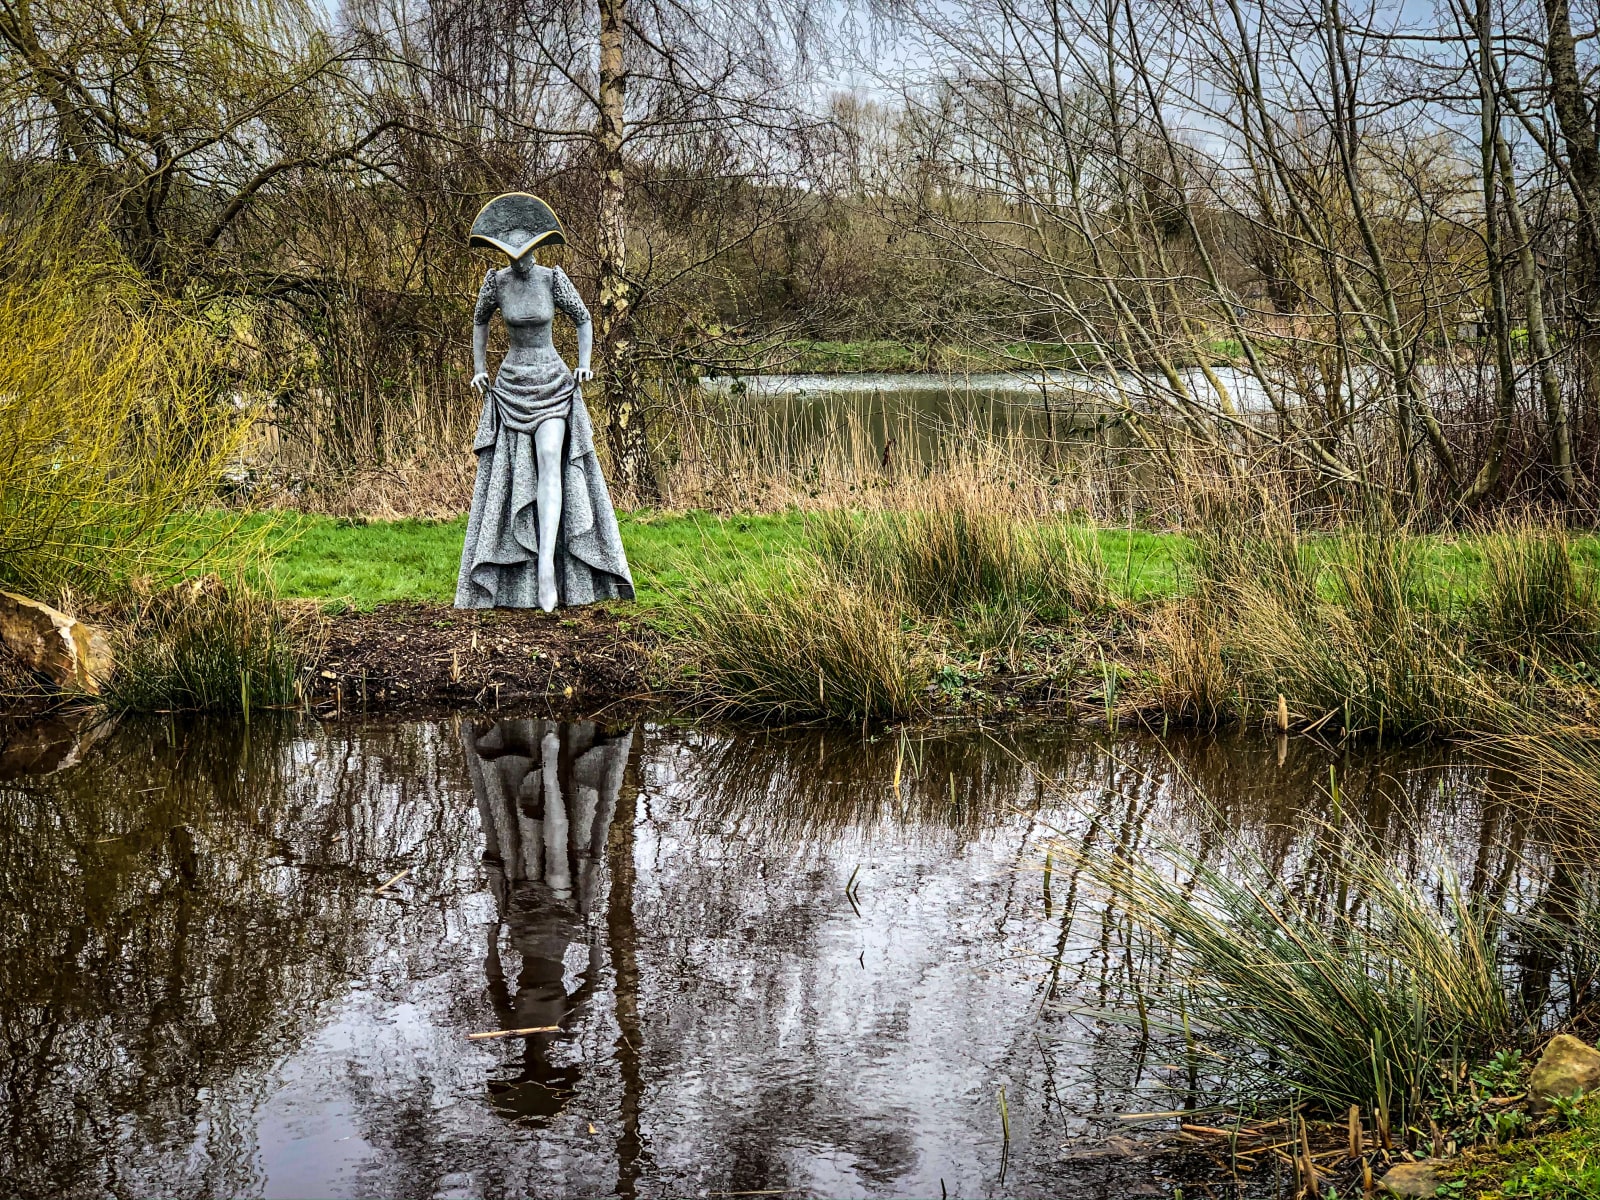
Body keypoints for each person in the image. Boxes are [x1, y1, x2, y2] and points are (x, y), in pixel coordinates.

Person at [455, 192, 634, 612]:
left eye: (523, 253)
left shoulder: (553, 279)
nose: (518, 260)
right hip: (513, 384)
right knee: (518, 477)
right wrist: (479, 366)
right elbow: (479, 321)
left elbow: (584, 317)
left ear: (535, 249)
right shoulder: (494, 283)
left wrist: (584, 363)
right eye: (509, 254)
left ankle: (548, 571)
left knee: (552, 454)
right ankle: (522, 565)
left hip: (553, 380)